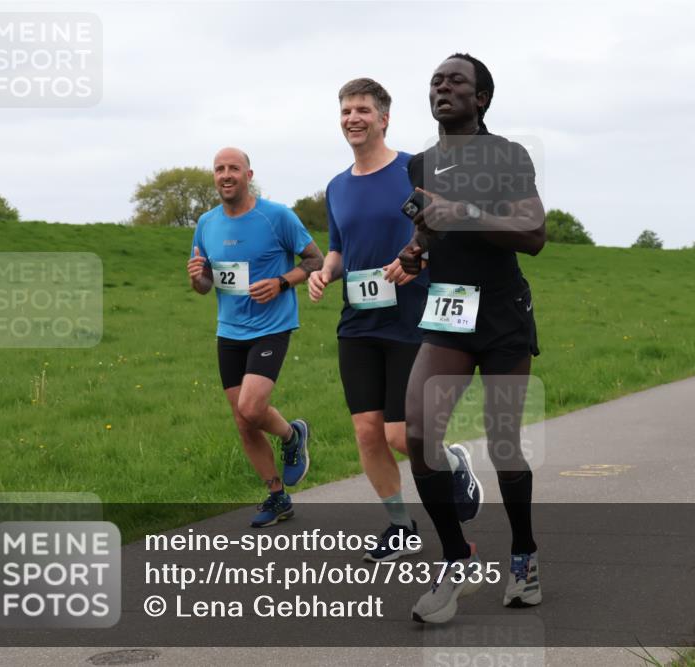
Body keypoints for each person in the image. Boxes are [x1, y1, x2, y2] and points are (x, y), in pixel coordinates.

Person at [397, 53, 546, 623]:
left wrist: (461, 212)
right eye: (436, 80)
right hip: (449, 311)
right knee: (417, 429)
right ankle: (456, 560)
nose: (442, 87)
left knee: (502, 439)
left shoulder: (508, 155)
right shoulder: (420, 164)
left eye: (456, 80)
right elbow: (428, 229)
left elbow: (533, 234)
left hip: (504, 313)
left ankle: (525, 555)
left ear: (480, 97)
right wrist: (417, 249)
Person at [307, 78, 428, 562]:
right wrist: (323, 273)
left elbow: (441, 234)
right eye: (345, 111)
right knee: (366, 430)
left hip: (410, 316)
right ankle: (401, 527)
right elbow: (337, 249)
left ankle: (452, 464)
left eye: (362, 110)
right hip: (357, 321)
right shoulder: (337, 187)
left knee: (400, 434)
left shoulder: (412, 172)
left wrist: (417, 258)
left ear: (384, 118)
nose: (352, 118)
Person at [187, 147, 323, 528]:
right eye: (219, 169)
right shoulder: (206, 223)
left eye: (233, 168)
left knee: (251, 407)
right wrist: (197, 277)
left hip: (272, 327)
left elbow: (315, 259)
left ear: (249, 175)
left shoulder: (276, 215)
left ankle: (292, 435)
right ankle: (277, 496)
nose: (225, 175)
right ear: (214, 177)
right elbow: (205, 284)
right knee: (244, 421)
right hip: (229, 331)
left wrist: (282, 282)